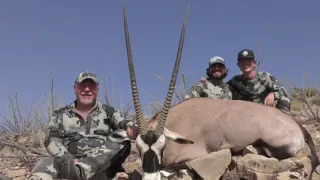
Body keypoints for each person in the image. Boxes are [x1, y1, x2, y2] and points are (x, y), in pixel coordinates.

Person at [27, 71, 138, 180]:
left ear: (97, 90)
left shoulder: (109, 111)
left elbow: (126, 123)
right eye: (82, 86)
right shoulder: (59, 114)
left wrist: (133, 129)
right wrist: (66, 159)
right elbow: (51, 138)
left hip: (103, 165)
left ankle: (82, 172)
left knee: (123, 136)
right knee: (45, 164)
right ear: (75, 88)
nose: (87, 89)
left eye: (91, 86)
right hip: (70, 165)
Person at [227, 48, 291, 114]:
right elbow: (223, 88)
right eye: (242, 61)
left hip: (264, 112)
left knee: (284, 99)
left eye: (248, 60)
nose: (245, 63)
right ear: (238, 65)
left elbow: (283, 91)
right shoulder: (235, 80)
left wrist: (273, 94)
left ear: (254, 63)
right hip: (246, 113)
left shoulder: (264, 76)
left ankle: (283, 121)